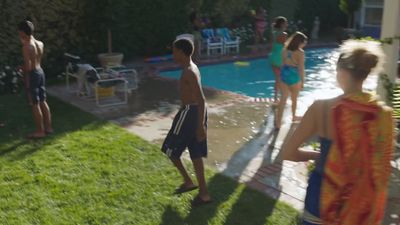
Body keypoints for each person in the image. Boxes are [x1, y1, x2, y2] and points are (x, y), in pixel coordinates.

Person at [280, 40, 393, 225]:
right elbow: (380, 166)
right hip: (361, 202)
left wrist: (322, 155)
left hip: (323, 197)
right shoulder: (381, 115)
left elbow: (288, 152)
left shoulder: (322, 108)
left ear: (340, 71)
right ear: (365, 74)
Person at [161, 38, 211, 206]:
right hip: (192, 113)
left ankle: (188, 181)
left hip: (190, 113)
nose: (172, 54)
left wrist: (201, 126)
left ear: (181, 52)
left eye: (174, 51)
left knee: (169, 149)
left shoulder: (189, 71)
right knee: (196, 155)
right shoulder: (192, 67)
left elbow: (201, 99)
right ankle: (204, 194)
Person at [18, 20, 53, 138]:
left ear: (22, 32)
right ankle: (48, 128)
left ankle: (40, 131)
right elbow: (37, 61)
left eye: (20, 32)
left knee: (35, 103)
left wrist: (21, 70)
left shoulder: (27, 47)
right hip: (40, 72)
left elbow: (28, 67)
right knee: (43, 100)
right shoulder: (40, 43)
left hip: (33, 74)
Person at [275, 32, 307, 129]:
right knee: (294, 99)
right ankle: (293, 117)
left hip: (284, 75)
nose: (304, 45)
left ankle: (278, 123)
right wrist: (302, 81)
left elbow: (282, 65)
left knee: (283, 100)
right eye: (304, 43)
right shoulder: (300, 53)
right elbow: (301, 68)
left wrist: (279, 78)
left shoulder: (284, 50)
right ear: (299, 43)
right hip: (294, 76)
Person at [269, 16, 288, 104]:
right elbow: (285, 46)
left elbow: (274, 45)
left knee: (277, 79)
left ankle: (276, 98)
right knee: (283, 79)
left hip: (273, 56)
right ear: (282, 24)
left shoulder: (274, 33)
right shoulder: (283, 34)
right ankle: (282, 97)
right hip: (280, 57)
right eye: (285, 23)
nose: (287, 24)